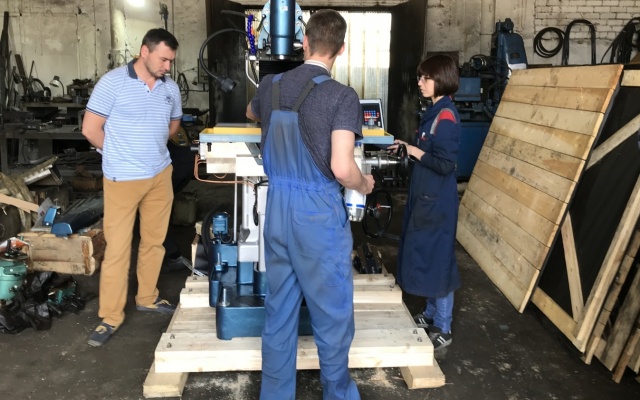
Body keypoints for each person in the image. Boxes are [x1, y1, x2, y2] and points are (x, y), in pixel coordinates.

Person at [246, 9, 375, 400]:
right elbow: (342, 168)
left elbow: (251, 112)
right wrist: (364, 184)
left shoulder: (269, 85)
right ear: (342, 49)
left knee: (280, 311)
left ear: (304, 43)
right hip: (317, 214)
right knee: (332, 316)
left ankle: (275, 394)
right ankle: (338, 394)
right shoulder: (342, 96)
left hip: (277, 209)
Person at [82, 28, 182, 347]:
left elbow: (173, 125)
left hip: (159, 175)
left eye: (171, 61)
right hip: (122, 178)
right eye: (163, 59)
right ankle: (111, 316)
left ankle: (147, 298)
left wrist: (149, 145)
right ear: (145, 51)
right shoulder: (112, 83)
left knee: (154, 242)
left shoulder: (170, 87)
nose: (168, 66)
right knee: (118, 249)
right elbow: (90, 129)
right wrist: (119, 153)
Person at [387, 54, 461, 350]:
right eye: (420, 77)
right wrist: (406, 146)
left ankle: (443, 326)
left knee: (439, 260)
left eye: (425, 78)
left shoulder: (446, 117)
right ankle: (430, 313)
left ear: (441, 79)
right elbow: (427, 151)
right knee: (428, 256)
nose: (420, 82)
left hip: (438, 202)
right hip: (425, 196)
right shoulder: (434, 111)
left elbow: (445, 164)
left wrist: (414, 152)